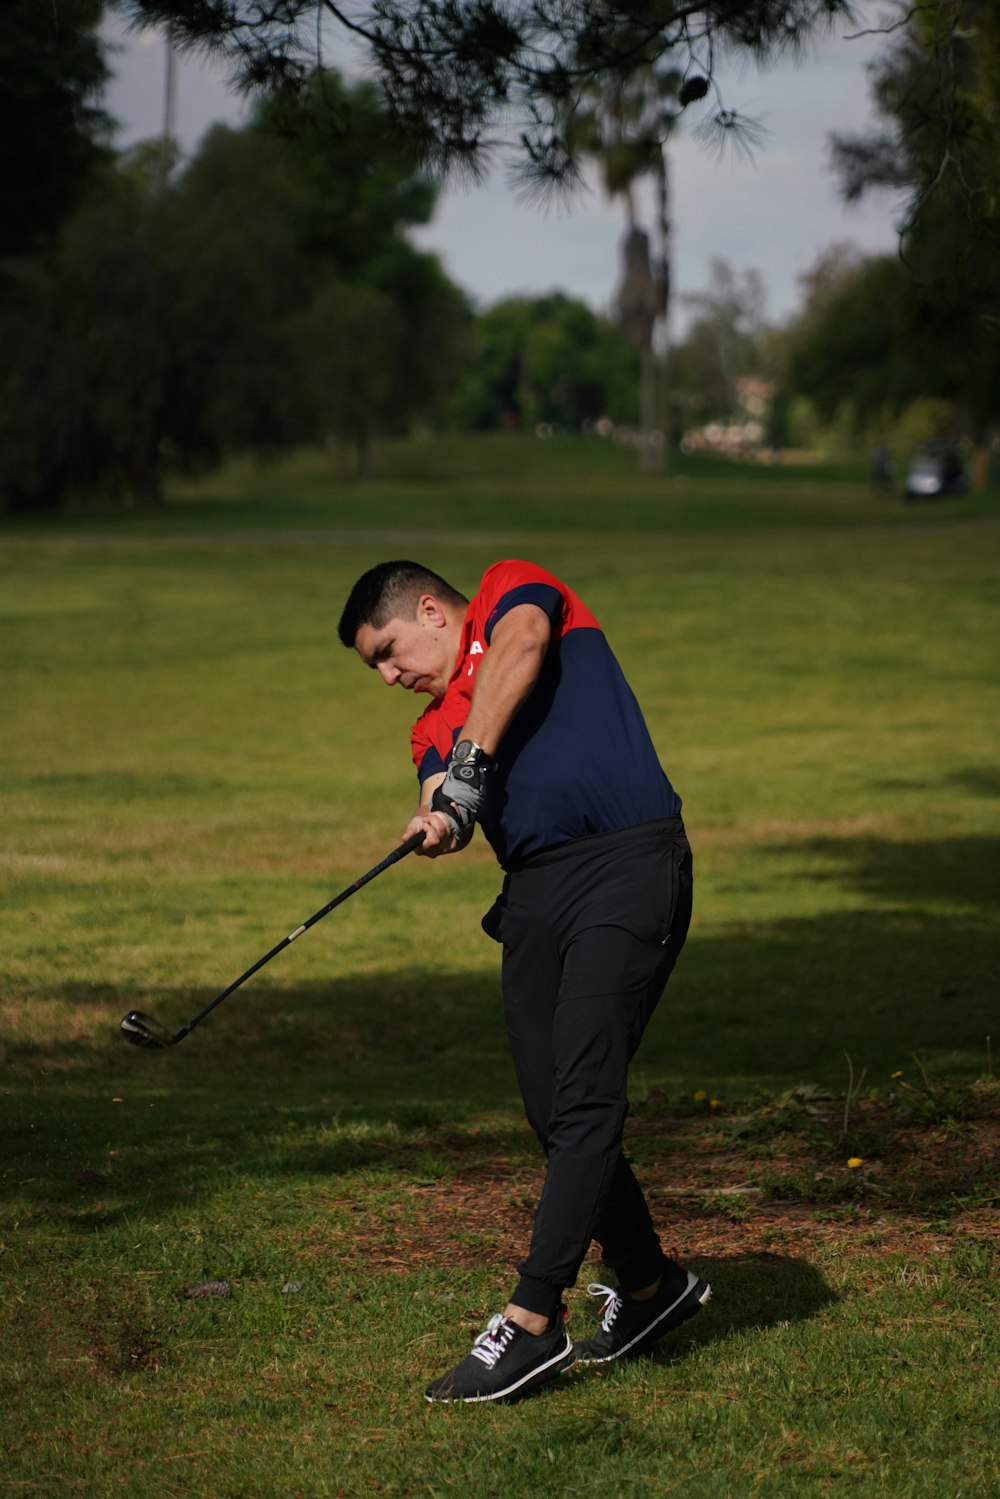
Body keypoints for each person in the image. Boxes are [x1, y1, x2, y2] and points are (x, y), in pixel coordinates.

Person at [337, 558, 709, 1404]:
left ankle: (533, 1318)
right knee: (552, 1108)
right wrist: (438, 814)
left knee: (584, 1099)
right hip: (537, 894)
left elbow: (524, 648)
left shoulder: (512, 591)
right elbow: (444, 793)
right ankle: (651, 1286)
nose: (390, 676)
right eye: (376, 669)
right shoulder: (430, 726)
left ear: (431, 609)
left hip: (628, 863)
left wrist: (470, 770)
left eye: (389, 652)